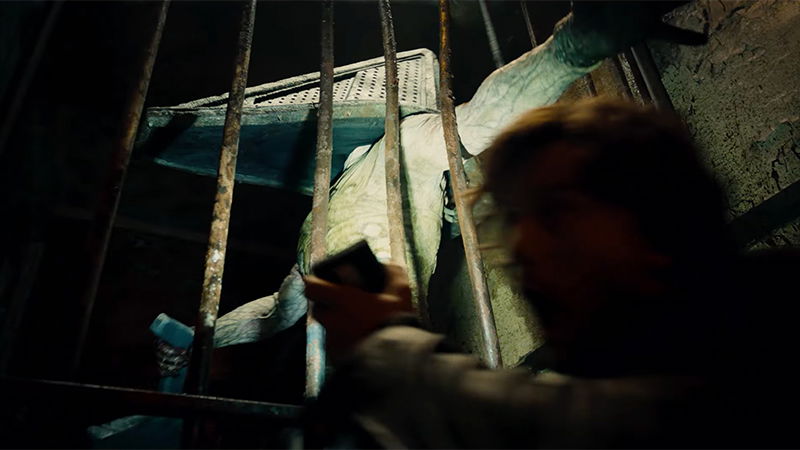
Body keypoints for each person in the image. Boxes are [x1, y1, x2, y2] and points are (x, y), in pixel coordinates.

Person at [303, 98, 800, 448]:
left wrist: (386, 341)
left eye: (557, 213)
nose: (522, 247)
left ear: (663, 218)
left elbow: (544, 431)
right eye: (512, 220)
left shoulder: (762, 367)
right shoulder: (661, 357)